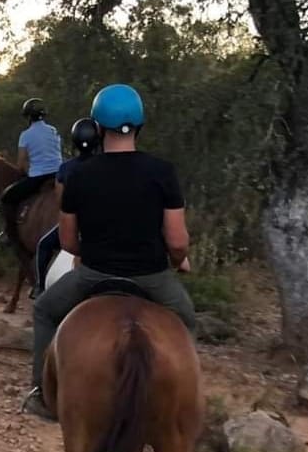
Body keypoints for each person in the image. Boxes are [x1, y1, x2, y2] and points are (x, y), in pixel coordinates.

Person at [22, 83, 196, 421]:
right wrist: (179, 261)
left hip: (94, 275)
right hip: (152, 278)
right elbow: (176, 241)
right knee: (187, 319)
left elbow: (70, 242)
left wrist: (96, 251)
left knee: (44, 310)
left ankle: (43, 395)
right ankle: (184, 402)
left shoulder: (79, 175)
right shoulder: (163, 172)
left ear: (99, 127)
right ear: (140, 126)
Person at [35, 116, 102, 291]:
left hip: (76, 223)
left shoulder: (66, 169)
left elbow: (61, 202)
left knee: (44, 246)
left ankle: (40, 287)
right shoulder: (105, 166)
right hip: (102, 223)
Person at [0, 98, 63, 246]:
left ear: (28, 117)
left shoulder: (26, 135)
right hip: (59, 175)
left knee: (7, 198)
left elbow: (21, 164)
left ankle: (9, 234)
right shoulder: (54, 130)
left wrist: (26, 170)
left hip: (39, 177)